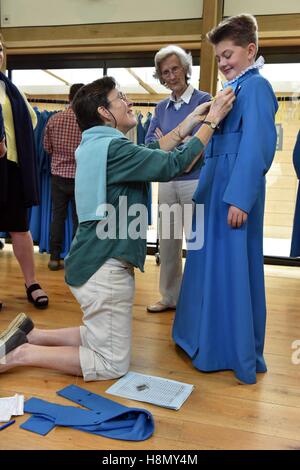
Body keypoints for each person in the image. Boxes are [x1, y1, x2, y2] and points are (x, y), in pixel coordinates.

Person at [0, 76, 234, 380]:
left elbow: (153, 153)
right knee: (111, 362)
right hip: (104, 267)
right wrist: (212, 122)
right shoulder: (114, 149)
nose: (129, 102)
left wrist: (190, 120)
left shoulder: (98, 143)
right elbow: (172, 165)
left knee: (99, 335)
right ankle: (21, 354)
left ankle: (33, 336)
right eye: (121, 97)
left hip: (93, 260)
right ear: (104, 112)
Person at [172, 14, 278, 385]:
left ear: (251, 51)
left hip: (232, 190)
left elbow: (259, 145)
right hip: (212, 185)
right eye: (218, 57)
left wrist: (240, 199)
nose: (223, 63)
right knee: (206, 263)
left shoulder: (258, 88)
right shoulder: (231, 89)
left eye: (228, 54)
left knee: (232, 269)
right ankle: (201, 338)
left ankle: (229, 349)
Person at [145, 45, 211, 313]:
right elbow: (150, 144)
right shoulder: (161, 107)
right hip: (168, 182)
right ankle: (169, 297)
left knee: (197, 242)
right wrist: (182, 138)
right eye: (165, 72)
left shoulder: (204, 99)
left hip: (196, 181)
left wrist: (170, 139)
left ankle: (198, 299)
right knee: (169, 242)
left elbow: (203, 142)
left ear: (186, 69)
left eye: (174, 69)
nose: (171, 76)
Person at [0, 34, 48, 310]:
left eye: (0, 49)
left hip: (12, 166)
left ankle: (31, 282)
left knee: (20, 227)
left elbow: (30, 120)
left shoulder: (9, 88)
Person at [43, 83, 83, 270]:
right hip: (80, 177)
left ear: (69, 97)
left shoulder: (54, 119)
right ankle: (74, 258)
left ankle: (54, 257)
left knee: (57, 217)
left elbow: (47, 148)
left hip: (58, 176)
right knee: (78, 219)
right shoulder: (87, 123)